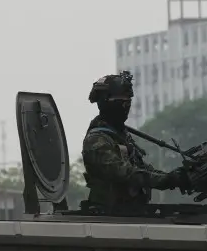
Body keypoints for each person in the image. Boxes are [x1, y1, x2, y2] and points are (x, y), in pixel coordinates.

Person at [81, 71, 190, 210]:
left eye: (129, 102)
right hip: (109, 217)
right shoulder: (97, 141)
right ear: (108, 102)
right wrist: (168, 180)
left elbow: (142, 169)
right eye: (123, 102)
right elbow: (126, 174)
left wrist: (175, 176)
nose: (127, 107)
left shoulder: (120, 135)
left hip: (129, 213)